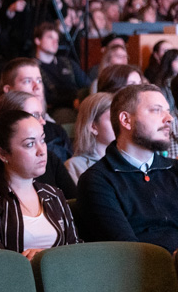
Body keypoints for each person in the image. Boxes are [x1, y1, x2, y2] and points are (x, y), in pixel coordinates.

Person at [0, 109, 80, 258]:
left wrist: (44, 257)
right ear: (3, 154)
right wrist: (44, 260)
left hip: (60, 279)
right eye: (30, 144)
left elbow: (76, 252)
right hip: (16, 281)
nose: (41, 151)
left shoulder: (54, 194)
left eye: (42, 140)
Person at [76, 84, 178, 252]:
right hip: (144, 273)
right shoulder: (97, 181)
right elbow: (128, 252)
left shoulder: (174, 169)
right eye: (156, 110)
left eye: (168, 111)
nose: (169, 118)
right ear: (126, 120)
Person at [65, 92, 114, 183]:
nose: (120, 124)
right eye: (112, 119)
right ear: (93, 127)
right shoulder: (75, 166)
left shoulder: (128, 160)